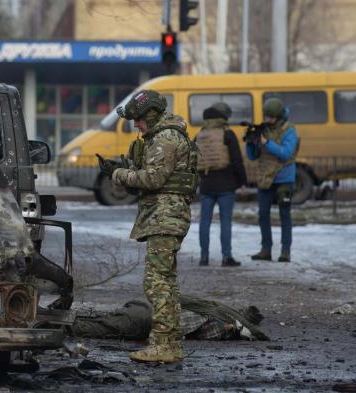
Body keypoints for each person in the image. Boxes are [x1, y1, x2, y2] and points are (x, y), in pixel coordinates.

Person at [97, 90, 198, 363]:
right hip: (165, 216)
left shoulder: (165, 138)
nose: (136, 125)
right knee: (165, 282)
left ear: (151, 115)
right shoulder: (165, 136)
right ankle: (169, 342)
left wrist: (118, 174)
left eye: (139, 119)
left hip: (165, 217)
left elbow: (154, 179)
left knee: (156, 283)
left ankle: (164, 345)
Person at [68, 294, 268, 342]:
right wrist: (233, 332)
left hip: (143, 308)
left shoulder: (210, 306)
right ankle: (54, 328)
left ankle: (50, 319)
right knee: (89, 328)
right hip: (145, 322)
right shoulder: (219, 321)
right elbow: (209, 332)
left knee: (95, 318)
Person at [246, 98, 299, 263]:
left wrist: (265, 142)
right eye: (266, 117)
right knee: (263, 214)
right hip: (265, 178)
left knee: (284, 214)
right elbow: (252, 156)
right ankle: (266, 249)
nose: (268, 120)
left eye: (271, 118)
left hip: (284, 178)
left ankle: (285, 251)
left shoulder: (289, 130)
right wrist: (251, 142)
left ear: (279, 116)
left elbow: (285, 153)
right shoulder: (264, 129)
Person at [195, 102, 247, 267]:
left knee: (205, 221)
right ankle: (226, 257)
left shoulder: (199, 135)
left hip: (206, 184)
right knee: (225, 221)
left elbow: (191, 159)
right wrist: (242, 182)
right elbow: (237, 160)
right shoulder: (227, 134)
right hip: (226, 184)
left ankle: (204, 257)